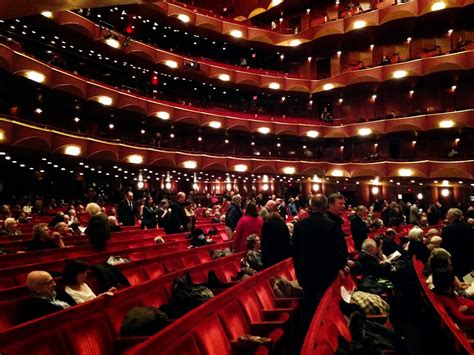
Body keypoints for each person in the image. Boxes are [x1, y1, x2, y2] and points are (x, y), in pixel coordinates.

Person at [292, 194, 348, 326]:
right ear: (326, 206)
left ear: (311, 206)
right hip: (326, 273)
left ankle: (308, 333)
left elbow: (295, 251)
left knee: (309, 306)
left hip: (306, 273)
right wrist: (339, 266)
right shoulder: (331, 225)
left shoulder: (300, 225)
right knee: (324, 306)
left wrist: (299, 273)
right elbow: (340, 250)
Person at [442, 208, 474, 278]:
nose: (446, 216)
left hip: (455, 258)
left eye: (447, 215)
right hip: (468, 255)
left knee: (459, 276)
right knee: (468, 276)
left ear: (451, 216)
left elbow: (445, 246)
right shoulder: (468, 225)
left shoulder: (447, 229)